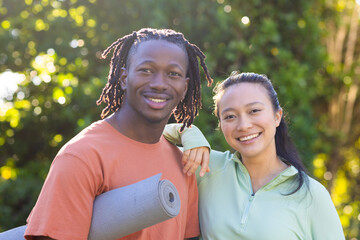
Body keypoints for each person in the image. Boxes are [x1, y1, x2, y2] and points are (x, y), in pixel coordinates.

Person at [24, 28, 213, 240]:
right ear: (124, 78)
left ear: (185, 87)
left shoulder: (184, 163)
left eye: (173, 74)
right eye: (146, 70)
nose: (159, 83)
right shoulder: (83, 155)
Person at [164, 72, 345, 239]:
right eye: (230, 116)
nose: (243, 125)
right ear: (220, 125)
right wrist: (187, 132)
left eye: (254, 111)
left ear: (277, 116)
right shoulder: (205, 167)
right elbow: (144, 141)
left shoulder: (311, 195)